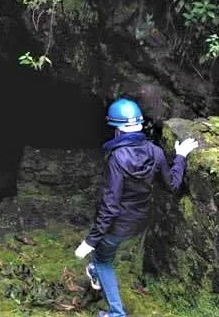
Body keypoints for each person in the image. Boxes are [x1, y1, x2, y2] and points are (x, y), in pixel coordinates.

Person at [74, 98, 198, 317]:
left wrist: (90, 240)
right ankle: (95, 271)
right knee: (103, 254)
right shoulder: (156, 152)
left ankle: (116, 312)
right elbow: (173, 185)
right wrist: (180, 156)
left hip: (117, 226)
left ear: (117, 130)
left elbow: (110, 205)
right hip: (139, 222)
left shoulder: (116, 158)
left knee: (103, 259)